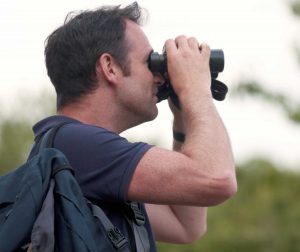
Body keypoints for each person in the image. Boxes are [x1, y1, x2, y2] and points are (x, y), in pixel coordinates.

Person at [31, 2, 237, 251]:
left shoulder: (77, 155)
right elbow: (218, 180)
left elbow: (186, 225)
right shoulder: (76, 145)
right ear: (110, 67)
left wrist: (183, 114)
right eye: (149, 63)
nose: (160, 77)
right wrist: (196, 88)